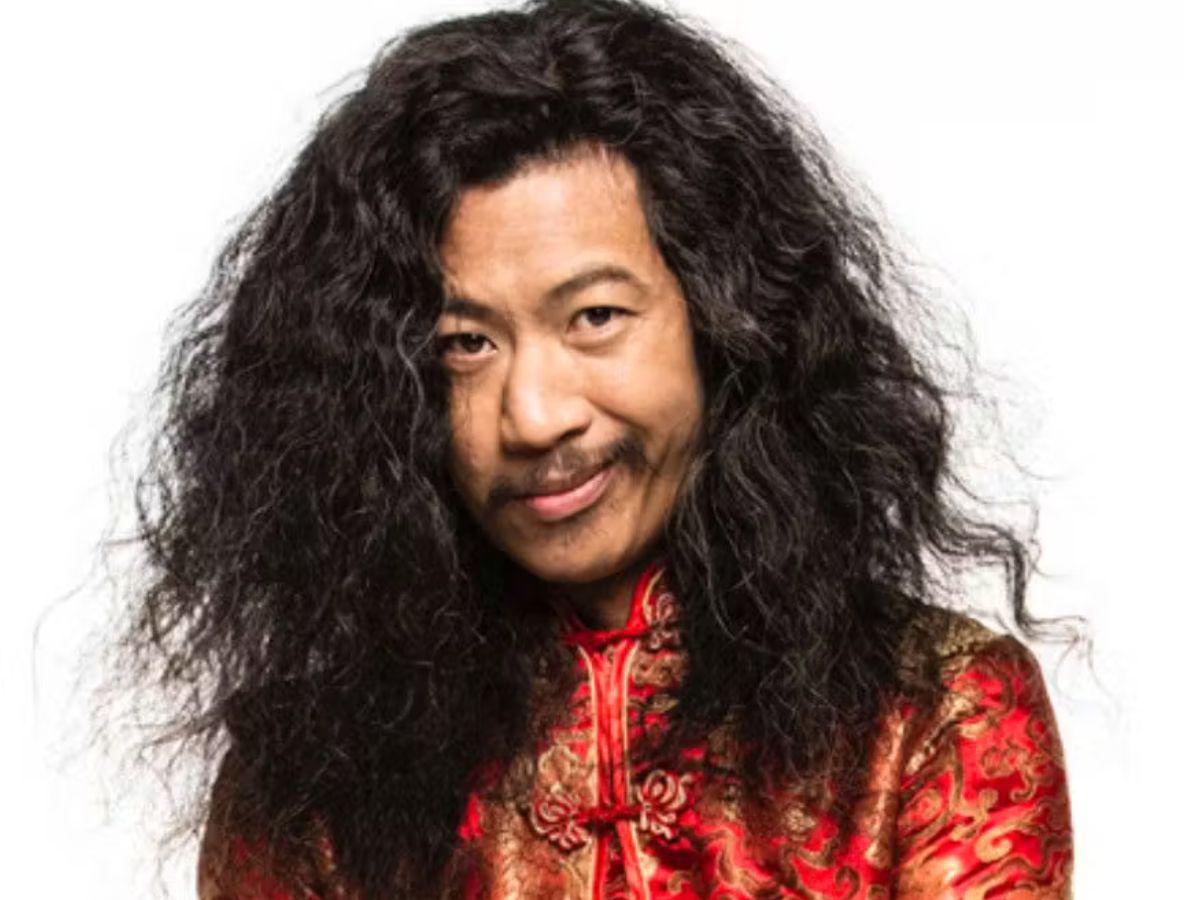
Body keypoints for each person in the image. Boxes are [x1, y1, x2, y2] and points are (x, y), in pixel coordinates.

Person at [113, 0, 1079, 896]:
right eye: (465, 344)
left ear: (727, 323)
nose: (533, 417)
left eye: (596, 317)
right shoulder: (307, 778)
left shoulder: (933, 718)